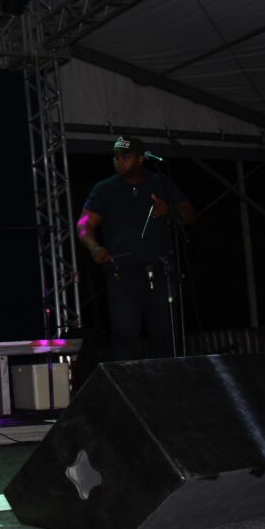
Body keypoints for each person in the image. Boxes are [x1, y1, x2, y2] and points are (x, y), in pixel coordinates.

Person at [77, 135, 194, 361]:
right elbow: (83, 225)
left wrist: (169, 210)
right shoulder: (104, 189)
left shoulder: (161, 182)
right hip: (122, 273)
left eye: (125, 157)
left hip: (162, 272)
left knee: (166, 335)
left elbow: (189, 214)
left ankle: (168, 387)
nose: (118, 161)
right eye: (116, 157)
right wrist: (94, 248)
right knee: (124, 335)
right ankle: (126, 389)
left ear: (141, 159)